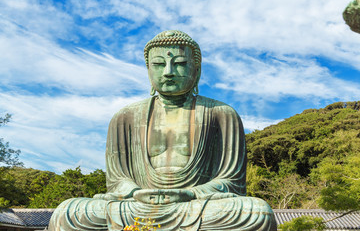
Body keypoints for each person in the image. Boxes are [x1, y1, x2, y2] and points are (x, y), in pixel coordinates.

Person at [48, 30, 277, 231]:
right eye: (158, 64)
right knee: (68, 212)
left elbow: (231, 181)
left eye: (179, 63)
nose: (168, 71)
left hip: (196, 205)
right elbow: (117, 181)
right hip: (137, 205)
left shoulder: (221, 113)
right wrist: (136, 192)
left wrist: (190, 193)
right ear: (148, 70)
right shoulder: (124, 117)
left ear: (196, 70)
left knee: (257, 213)